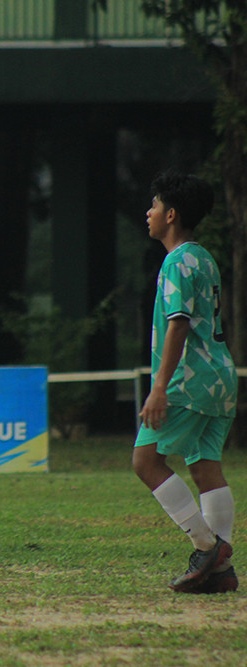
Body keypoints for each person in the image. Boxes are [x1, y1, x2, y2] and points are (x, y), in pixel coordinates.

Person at [132, 170, 239, 593]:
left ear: (171, 214)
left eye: (154, 205)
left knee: (145, 461)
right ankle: (220, 573)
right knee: (205, 466)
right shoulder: (204, 257)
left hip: (188, 378)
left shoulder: (176, 261)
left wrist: (159, 386)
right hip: (221, 375)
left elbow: (177, 324)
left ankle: (207, 546)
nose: (149, 212)